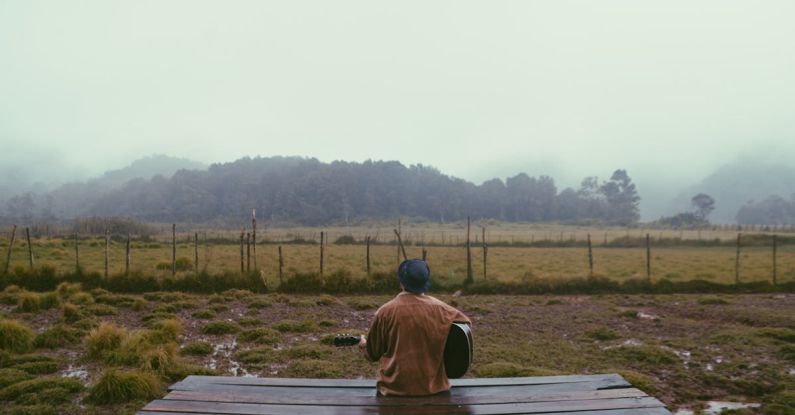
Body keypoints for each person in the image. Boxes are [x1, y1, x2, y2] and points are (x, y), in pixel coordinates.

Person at [358, 259, 471, 396]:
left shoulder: (385, 312)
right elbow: (465, 325)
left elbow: (372, 354)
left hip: (393, 390)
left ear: (401, 282)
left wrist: (364, 344)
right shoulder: (443, 310)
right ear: (426, 282)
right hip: (434, 389)